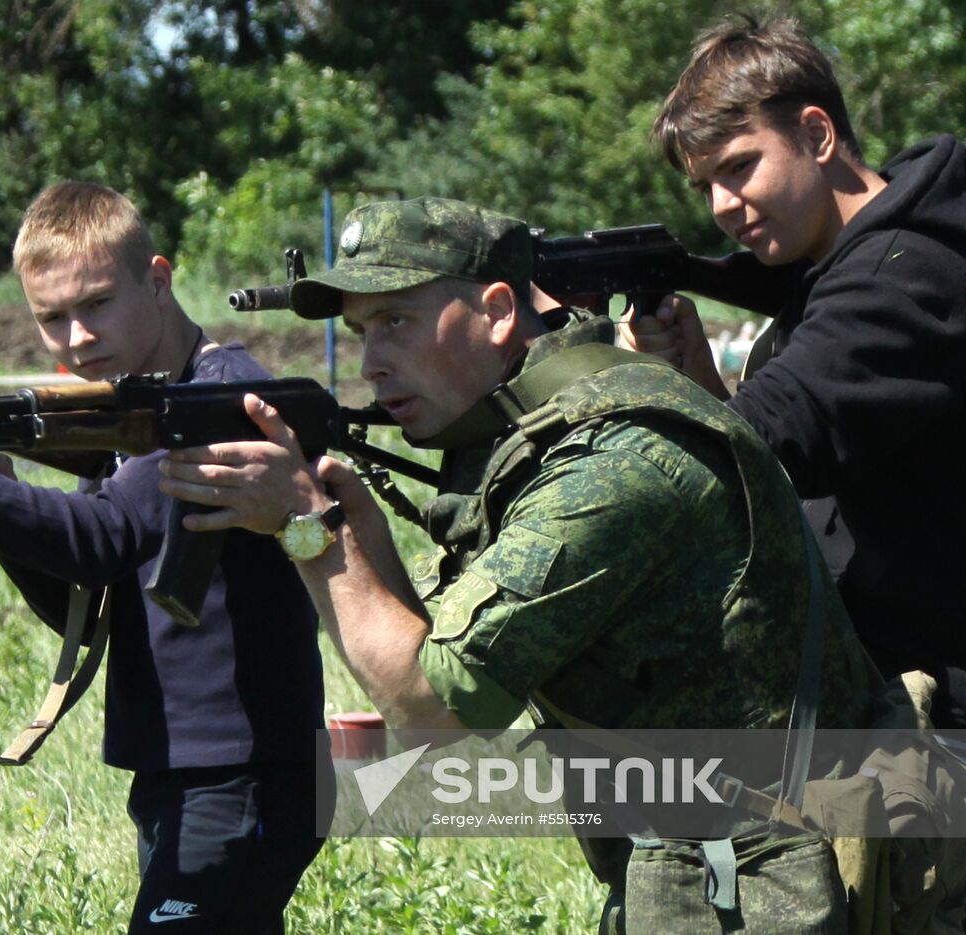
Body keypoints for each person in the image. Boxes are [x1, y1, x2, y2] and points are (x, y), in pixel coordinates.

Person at [157, 197, 875, 929]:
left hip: (777, 880)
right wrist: (359, 531)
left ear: (498, 310)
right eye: (361, 331)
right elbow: (440, 660)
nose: (372, 363)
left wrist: (308, 529)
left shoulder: (616, 460)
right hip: (715, 871)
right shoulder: (551, 427)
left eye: (397, 321)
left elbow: (434, 711)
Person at [0, 182, 328, 934]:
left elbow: (100, 537)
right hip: (184, 769)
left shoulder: (225, 400)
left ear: (158, 278)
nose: (77, 336)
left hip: (245, 770)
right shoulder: (136, 410)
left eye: (95, 304)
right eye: (51, 316)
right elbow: (90, 597)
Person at [621, 14, 966, 726]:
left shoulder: (903, 276)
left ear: (816, 134)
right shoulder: (841, 263)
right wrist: (699, 384)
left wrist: (626, 384)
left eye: (740, 166)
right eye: (705, 185)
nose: (721, 206)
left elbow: (770, 441)